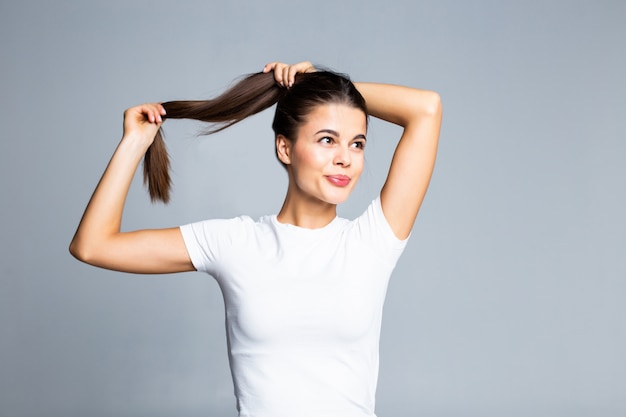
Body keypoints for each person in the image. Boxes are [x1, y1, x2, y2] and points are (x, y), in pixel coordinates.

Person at [70, 61, 442, 417]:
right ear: (285, 148)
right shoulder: (235, 243)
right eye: (327, 139)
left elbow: (426, 108)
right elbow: (92, 245)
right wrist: (135, 142)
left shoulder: (370, 242)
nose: (345, 158)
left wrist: (317, 85)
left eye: (357, 144)